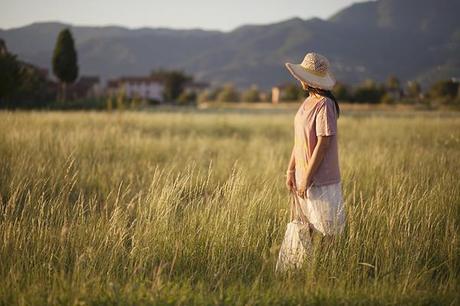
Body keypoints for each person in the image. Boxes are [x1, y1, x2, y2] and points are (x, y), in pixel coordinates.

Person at [284, 52, 345, 237]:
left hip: (320, 180)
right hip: (304, 178)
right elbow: (299, 141)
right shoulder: (307, 102)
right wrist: (291, 171)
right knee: (308, 233)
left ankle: (330, 266)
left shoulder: (325, 104)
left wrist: (307, 178)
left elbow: (323, 144)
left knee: (327, 236)